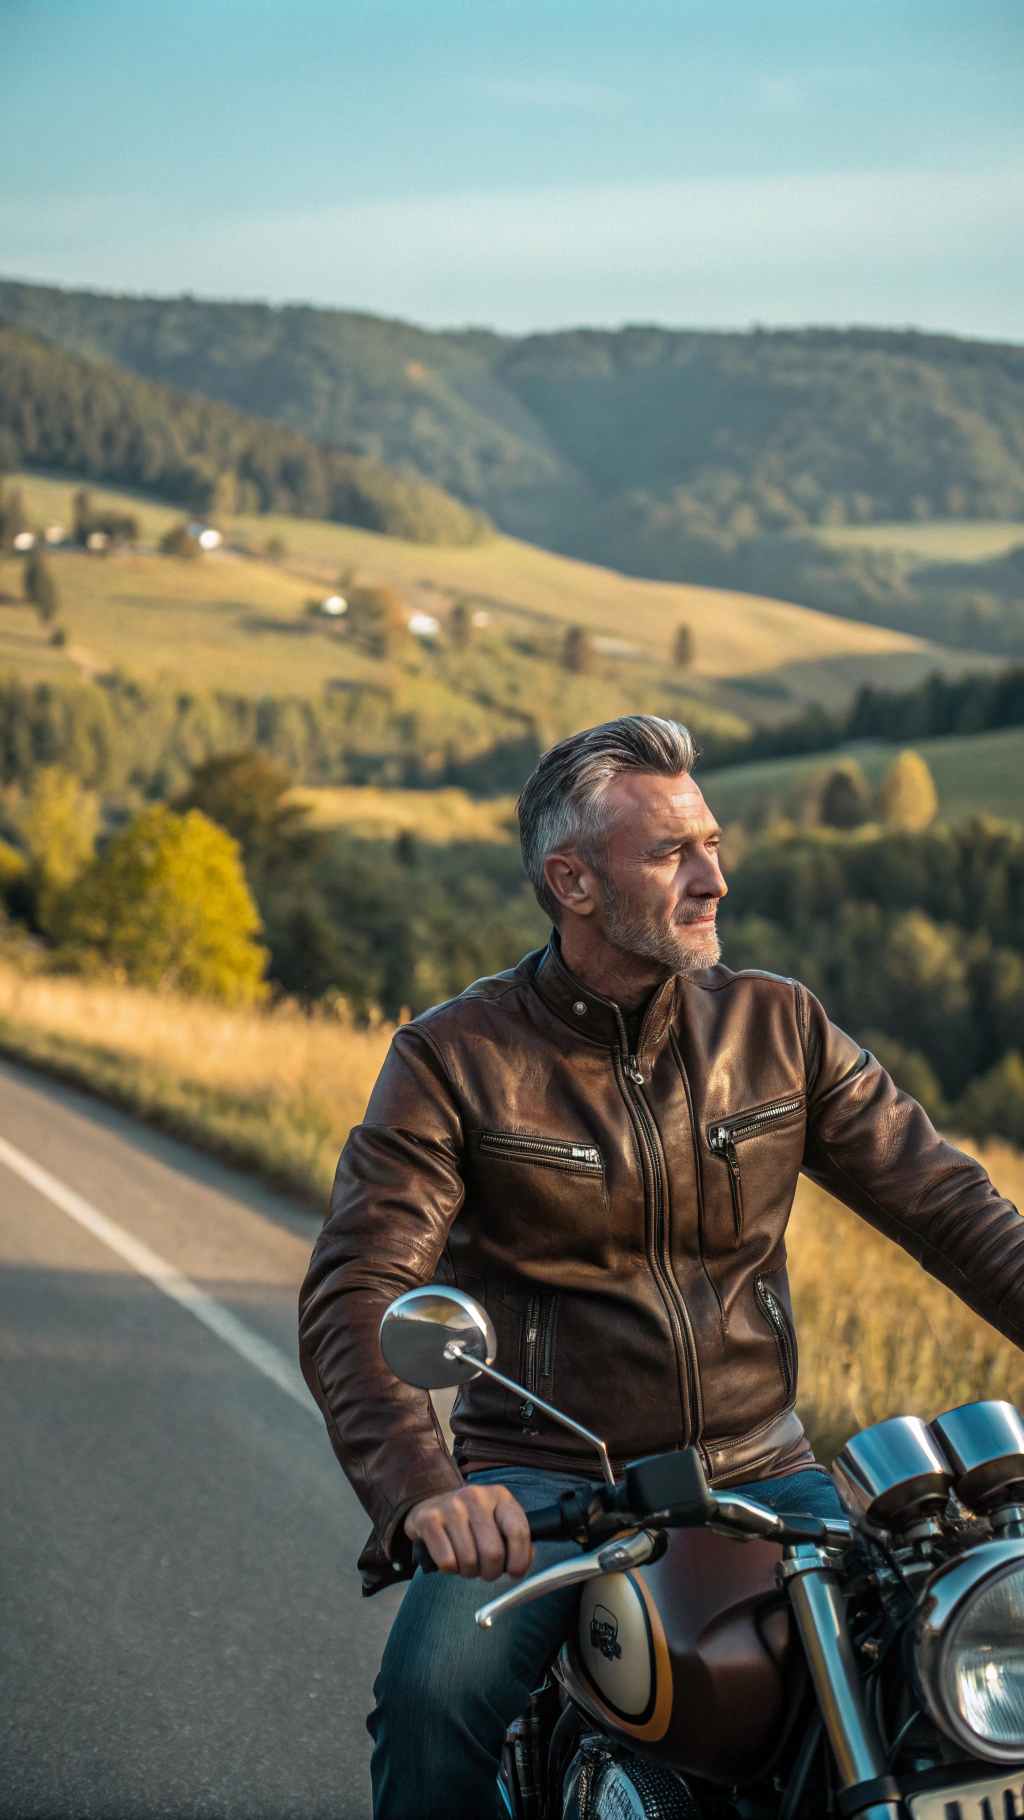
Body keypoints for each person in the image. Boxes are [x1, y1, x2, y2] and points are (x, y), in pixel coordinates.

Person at [298, 715, 1024, 1820]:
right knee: (429, 1697)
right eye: (672, 852)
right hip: (543, 1482)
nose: (713, 878)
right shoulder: (457, 1059)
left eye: (712, 844)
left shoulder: (777, 1027)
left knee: (926, 1697)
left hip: (761, 1464)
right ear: (573, 880)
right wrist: (426, 1492)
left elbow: (952, 1206)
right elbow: (357, 1288)